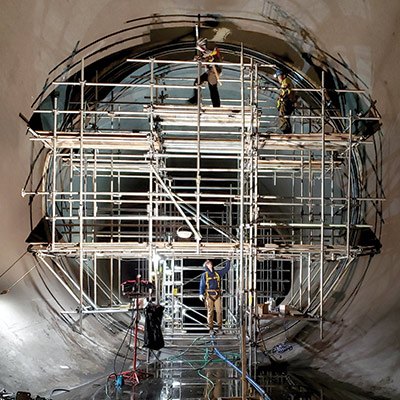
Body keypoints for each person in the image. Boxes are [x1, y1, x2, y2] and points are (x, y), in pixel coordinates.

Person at [199, 259, 230, 335]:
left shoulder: (217, 273)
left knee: (219, 311)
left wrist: (228, 261)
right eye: (208, 263)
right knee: (210, 312)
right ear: (206, 266)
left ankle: (219, 328)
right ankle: (211, 328)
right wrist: (201, 294)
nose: (210, 263)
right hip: (209, 295)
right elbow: (202, 285)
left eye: (210, 262)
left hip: (217, 295)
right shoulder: (205, 275)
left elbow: (226, 269)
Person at [188, 38, 222, 107]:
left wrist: (203, 56)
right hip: (210, 71)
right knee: (198, 81)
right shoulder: (207, 51)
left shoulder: (213, 50)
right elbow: (204, 56)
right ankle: (196, 99)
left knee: (213, 88)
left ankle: (216, 105)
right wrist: (198, 58)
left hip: (214, 71)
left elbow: (210, 54)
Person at [275, 69, 296, 134]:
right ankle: (286, 131)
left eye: (279, 77)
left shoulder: (286, 81)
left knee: (283, 117)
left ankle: (286, 131)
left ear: (283, 76)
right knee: (285, 117)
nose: (278, 79)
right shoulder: (285, 81)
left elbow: (285, 88)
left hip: (286, 101)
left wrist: (282, 95)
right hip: (288, 101)